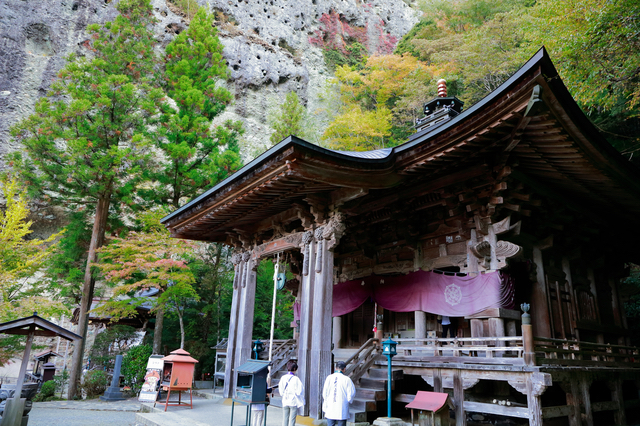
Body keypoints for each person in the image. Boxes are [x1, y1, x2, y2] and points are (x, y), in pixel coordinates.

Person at [322, 361, 356, 426]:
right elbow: (351, 393)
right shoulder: (347, 379)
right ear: (344, 369)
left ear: (335, 368)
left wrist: (326, 400)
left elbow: (324, 392)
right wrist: (348, 400)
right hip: (342, 406)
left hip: (330, 405)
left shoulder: (329, 378)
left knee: (330, 424)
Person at [279, 361, 304, 426]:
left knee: (285, 418)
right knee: (292, 420)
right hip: (293, 401)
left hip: (285, 400)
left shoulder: (283, 377)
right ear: (295, 369)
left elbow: (280, 390)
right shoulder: (296, 379)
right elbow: (299, 391)